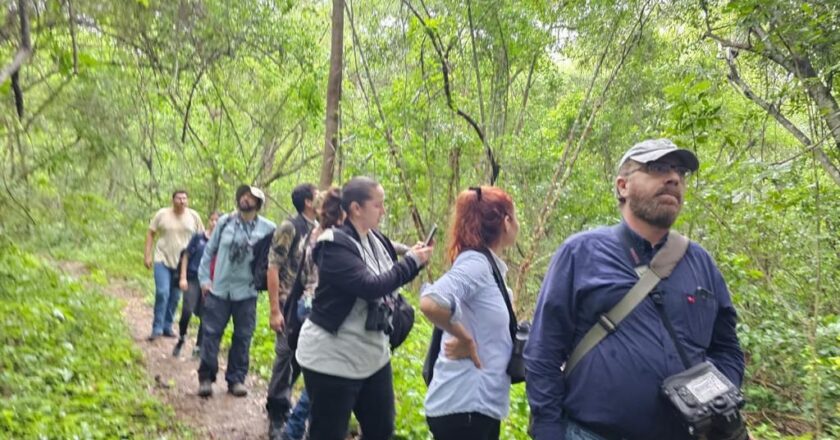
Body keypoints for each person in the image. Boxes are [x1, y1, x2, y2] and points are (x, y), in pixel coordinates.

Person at [525, 139, 746, 439]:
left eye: (680, 172)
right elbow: (543, 353)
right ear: (622, 186)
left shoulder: (701, 263)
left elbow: (727, 348)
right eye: (657, 168)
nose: (674, 178)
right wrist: (548, 431)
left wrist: (719, 403)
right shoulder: (581, 253)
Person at [295, 176, 433, 440]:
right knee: (328, 433)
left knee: (382, 431)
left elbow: (389, 280)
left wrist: (416, 258)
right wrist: (411, 263)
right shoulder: (332, 244)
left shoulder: (377, 240)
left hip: (372, 356)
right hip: (331, 358)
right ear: (356, 208)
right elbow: (369, 285)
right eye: (378, 205)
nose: (383, 211)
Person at [419, 186, 520, 440]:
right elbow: (431, 301)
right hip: (464, 407)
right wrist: (464, 338)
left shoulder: (489, 267)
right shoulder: (476, 264)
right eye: (515, 217)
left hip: (478, 407)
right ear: (506, 222)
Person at [196, 185, 276, 398]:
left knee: (243, 336)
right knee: (211, 335)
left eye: (251, 197)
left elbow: (277, 257)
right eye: (244, 195)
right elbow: (208, 252)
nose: (246, 199)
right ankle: (206, 378)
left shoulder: (269, 229)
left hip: (247, 292)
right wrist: (205, 280)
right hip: (219, 290)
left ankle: (236, 380)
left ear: (258, 204)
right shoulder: (224, 223)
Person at [279, 187, 345, 440]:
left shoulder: (314, 234)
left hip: (306, 305)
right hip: (317, 307)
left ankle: (300, 428)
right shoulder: (330, 238)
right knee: (321, 378)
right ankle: (294, 429)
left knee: (318, 376)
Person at [266, 183, 318, 439]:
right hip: (287, 304)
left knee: (301, 360)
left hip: (309, 306)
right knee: (285, 358)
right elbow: (273, 267)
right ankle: (276, 414)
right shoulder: (289, 227)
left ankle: (288, 408)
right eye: (317, 195)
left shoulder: (320, 229)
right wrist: (275, 310)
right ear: (308, 202)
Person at [144, 189, 204, 341]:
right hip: (162, 258)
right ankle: (157, 328)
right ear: (173, 200)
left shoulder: (194, 217)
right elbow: (151, 233)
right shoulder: (162, 214)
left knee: (175, 296)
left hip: (183, 265)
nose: (182, 201)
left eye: (185, 198)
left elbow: (202, 238)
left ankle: (167, 326)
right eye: (179, 198)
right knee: (162, 292)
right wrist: (147, 255)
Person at [173, 211, 221, 358]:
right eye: (212, 219)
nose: (213, 223)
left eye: (217, 221)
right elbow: (186, 256)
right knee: (187, 310)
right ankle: (181, 337)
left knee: (205, 316)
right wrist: (183, 277)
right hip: (193, 278)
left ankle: (199, 346)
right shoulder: (198, 237)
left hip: (211, 283)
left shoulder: (222, 242)